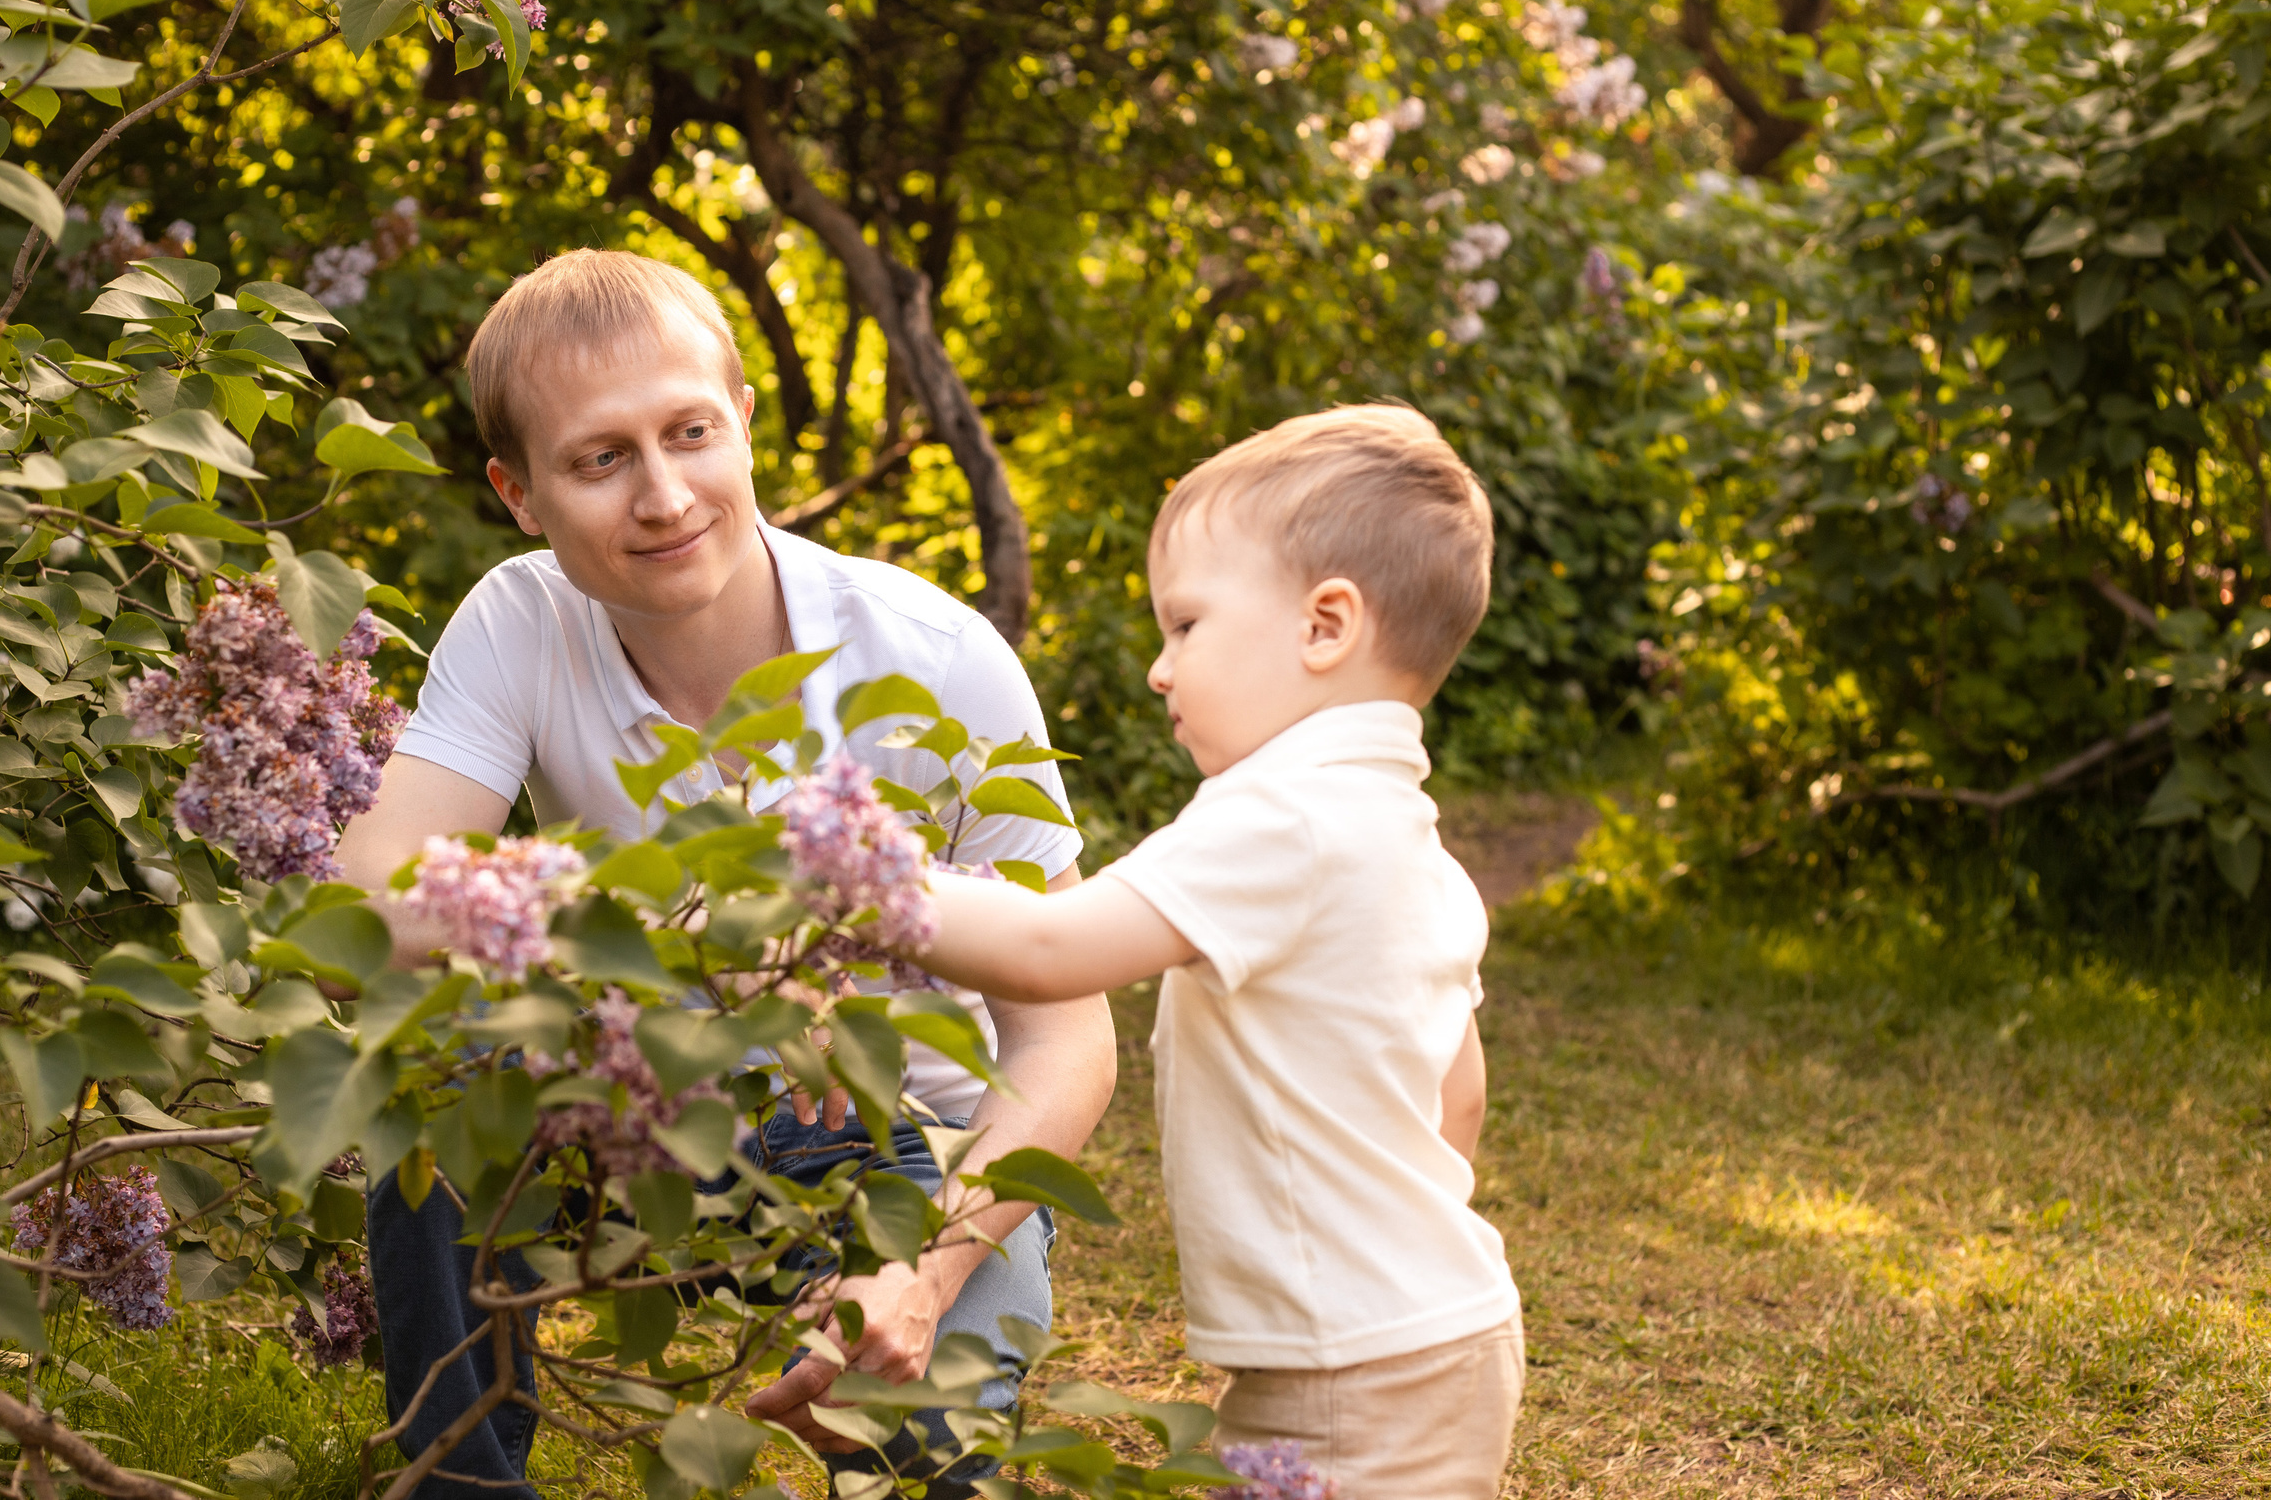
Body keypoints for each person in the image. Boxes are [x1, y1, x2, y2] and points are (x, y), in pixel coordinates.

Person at [333, 250, 1116, 1499]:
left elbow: (1069, 1040)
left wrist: (925, 1266)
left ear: (744, 419)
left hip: (884, 1142)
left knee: (943, 1438)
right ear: (519, 492)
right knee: (428, 1060)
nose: (663, 496)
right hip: (625, 1107)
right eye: (600, 459)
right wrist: (679, 922)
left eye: (690, 433)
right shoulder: (517, 620)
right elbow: (367, 902)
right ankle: (463, 1490)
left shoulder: (938, 663)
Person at [881, 404, 1523, 1498]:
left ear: (1325, 626)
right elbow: (1455, 1096)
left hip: (1347, 1366)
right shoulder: (1407, 838)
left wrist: (863, 876)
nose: (1157, 671)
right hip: (1436, 1331)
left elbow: (1049, 946)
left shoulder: (1282, 816)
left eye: (1185, 626)